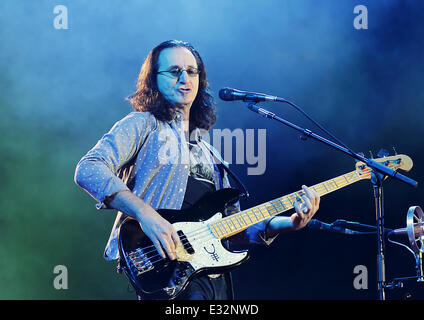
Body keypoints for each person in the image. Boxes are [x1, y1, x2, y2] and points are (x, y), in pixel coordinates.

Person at [74, 39, 320, 300]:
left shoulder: (211, 152)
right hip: (167, 269)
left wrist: (288, 223)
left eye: (192, 71)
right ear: (153, 79)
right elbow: (88, 169)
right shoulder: (143, 124)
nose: (185, 78)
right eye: (174, 71)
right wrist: (146, 215)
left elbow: (231, 228)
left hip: (214, 278)